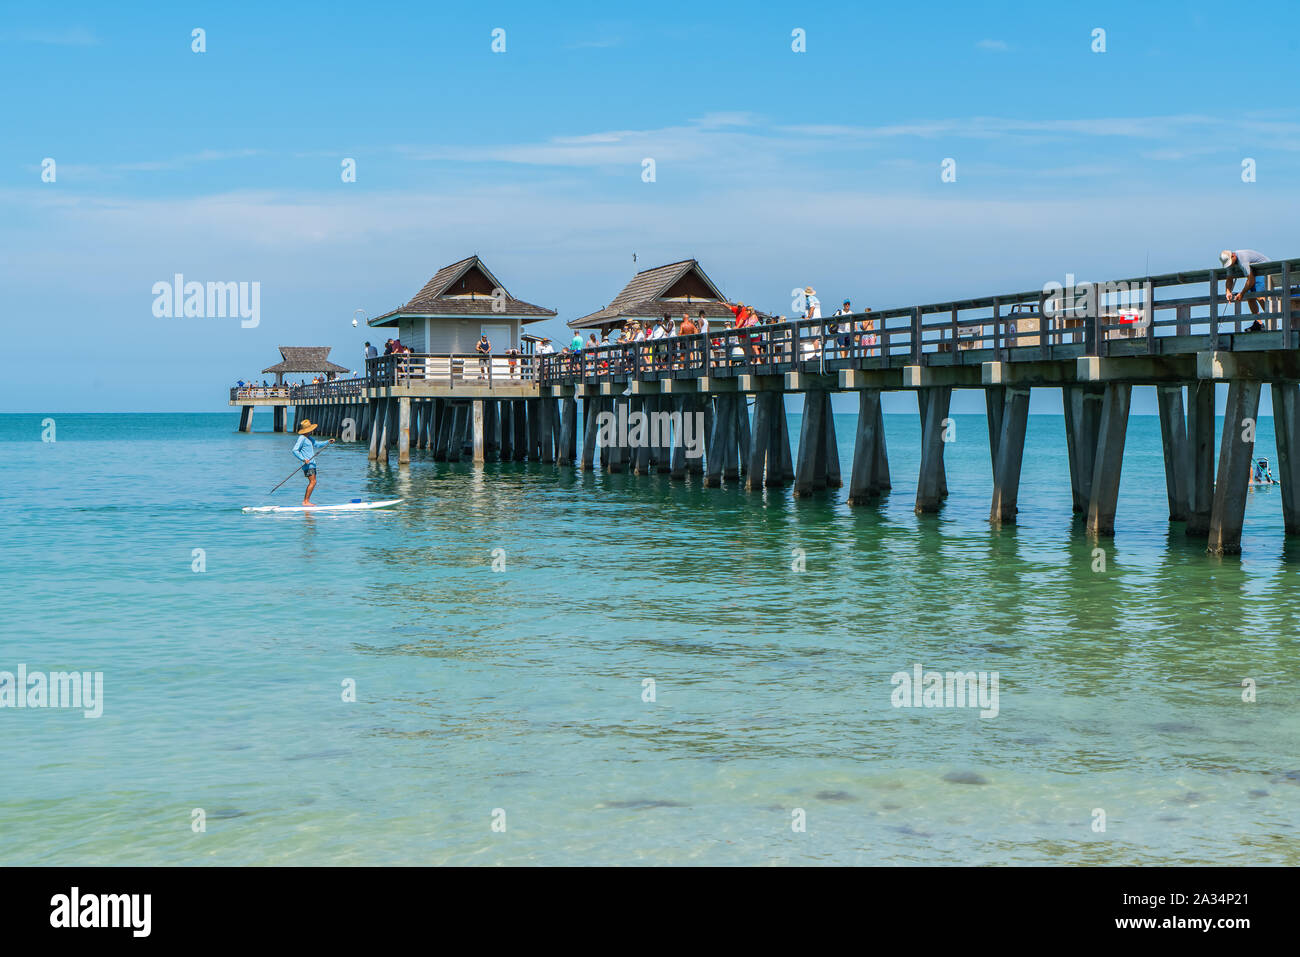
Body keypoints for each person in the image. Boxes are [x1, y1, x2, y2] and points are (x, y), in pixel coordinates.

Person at [292, 419, 334, 507]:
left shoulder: (309, 438)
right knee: (313, 481)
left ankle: (306, 501)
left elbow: (317, 444)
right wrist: (303, 459)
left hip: (312, 464)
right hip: (307, 464)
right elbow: (295, 450)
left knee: (313, 481)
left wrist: (327, 442)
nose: (312, 430)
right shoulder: (302, 438)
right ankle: (305, 501)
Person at [1221, 249, 1271, 322]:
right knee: (1249, 297)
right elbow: (1229, 279)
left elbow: (1251, 280)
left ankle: (1271, 320)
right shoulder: (1230, 263)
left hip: (1264, 269)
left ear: (1233, 256)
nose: (1230, 265)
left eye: (1230, 263)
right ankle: (1258, 323)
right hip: (1255, 272)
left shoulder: (1242, 260)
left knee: (1259, 295)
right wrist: (1228, 292)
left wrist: (1241, 293)